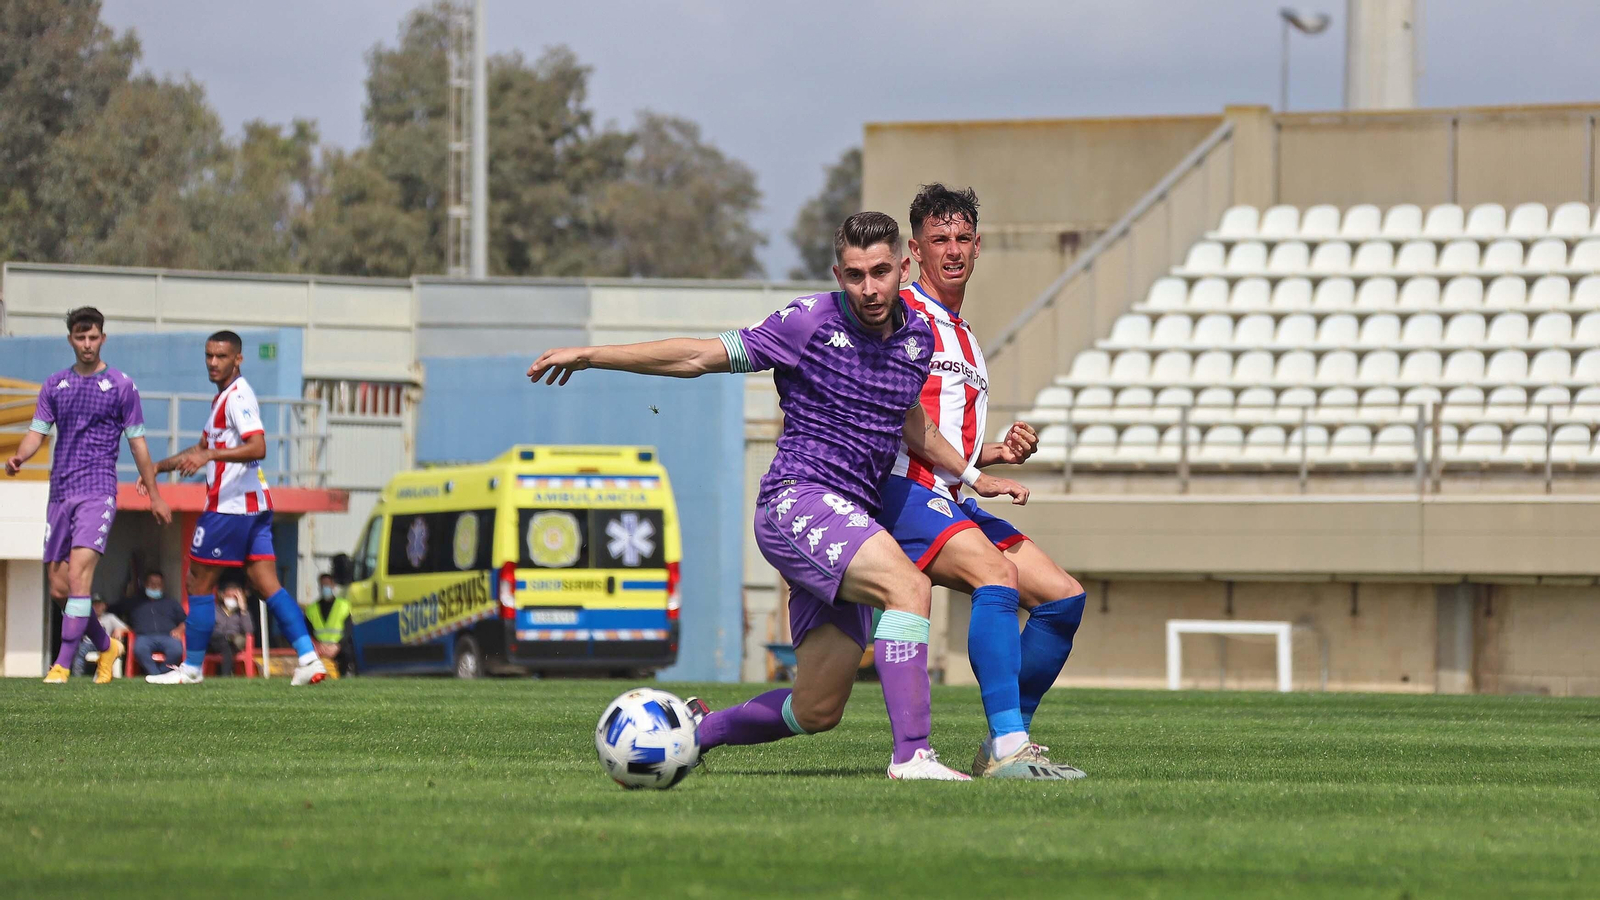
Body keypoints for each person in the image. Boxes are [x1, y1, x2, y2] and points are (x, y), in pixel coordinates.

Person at [529, 212, 1028, 780]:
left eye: (881, 272)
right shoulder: (807, 322)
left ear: (903, 269)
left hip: (854, 517)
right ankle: (913, 756)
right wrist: (591, 355)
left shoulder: (917, 339)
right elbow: (698, 356)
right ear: (837, 275)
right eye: (855, 275)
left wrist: (972, 473)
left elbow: (912, 423)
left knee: (816, 708)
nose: (869, 288)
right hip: (798, 500)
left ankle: (695, 733)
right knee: (907, 586)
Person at [879, 184, 1089, 780]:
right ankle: (1008, 745)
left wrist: (996, 452)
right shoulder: (902, 316)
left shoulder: (966, 335)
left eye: (962, 238)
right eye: (939, 239)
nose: (952, 249)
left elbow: (944, 433)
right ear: (915, 251)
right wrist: (978, 475)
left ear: (978, 247)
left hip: (946, 493)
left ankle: (1005, 736)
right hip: (900, 490)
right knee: (996, 575)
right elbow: (902, 422)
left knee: (1063, 597)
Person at [144, 330, 328, 686]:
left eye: (222, 356)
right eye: (209, 355)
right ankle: (309, 658)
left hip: (230, 507)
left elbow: (258, 447)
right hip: (254, 506)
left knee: (198, 582)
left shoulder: (238, 397)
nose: (213, 362)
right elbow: (199, 450)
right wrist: (157, 467)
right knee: (266, 583)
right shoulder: (222, 400)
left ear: (238, 359)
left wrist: (212, 455)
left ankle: (191, 669)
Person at [5, 306, 171, 683]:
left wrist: (155, 494)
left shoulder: (121, 386)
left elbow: (138, 443)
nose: (87, 344)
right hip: (61, 492)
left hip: (97, 490)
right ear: (70, 340)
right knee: (59, 588)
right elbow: (37, 432)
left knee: (80, 577)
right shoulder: (54, 385)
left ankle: (62, 664)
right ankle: (107, 646)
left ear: (103, 338)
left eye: (93, 337)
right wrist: (19, 457)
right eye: (80, 337)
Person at [124, 570, 186, 676]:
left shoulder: (171, 602)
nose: (155, 586)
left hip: (168, 636)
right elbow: (114, 613)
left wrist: (179, 629)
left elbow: (185, 621)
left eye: (158, 584)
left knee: (176, 650)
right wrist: (120, 627)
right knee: (140, 650)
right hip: (144, 637)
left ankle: (164, 673)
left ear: (163, 585)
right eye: (152, 584)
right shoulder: (134, 602)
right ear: (145, 584)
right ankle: (155, 674)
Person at [71, 596, 129, 677]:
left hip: (105, 642)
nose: (97, 607)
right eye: (95, 605)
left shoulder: (110, 617)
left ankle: (111, 675)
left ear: (104, 606)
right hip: (88, 643)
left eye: (99, 605)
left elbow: (127, 629)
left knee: (114, 647)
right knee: (79, 650)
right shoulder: (86, 618)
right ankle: (77, 676)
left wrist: (119, 630)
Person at [209, 581, 255, 676]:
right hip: (214, 643)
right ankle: (227, 673)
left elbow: (249, 630)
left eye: (235, 597)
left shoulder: (242, 613)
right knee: (220, 638)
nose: (232, 599)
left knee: (228, 645)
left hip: (232, 643)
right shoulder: (214, 611)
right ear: (222, 596)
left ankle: (226, 675)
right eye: (229, 596)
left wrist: (243, 610)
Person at [306, 573, 350, 661]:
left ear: (333, 586)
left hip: (340, 650)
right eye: (322, 585)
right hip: (319, 650)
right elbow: (308, 631)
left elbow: (349, 630)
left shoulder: (344, 606)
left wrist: (338, 646)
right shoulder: (311, 609)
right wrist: (318, 645)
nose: (325, 588)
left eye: (327, 585)